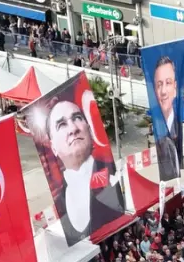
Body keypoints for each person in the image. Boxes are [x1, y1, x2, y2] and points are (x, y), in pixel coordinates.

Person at [39, 96, 126, 246]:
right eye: (61, 125)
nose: (73, 129)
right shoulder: (60, 202)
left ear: (89, 130)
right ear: (53, 147)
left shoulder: (114, 179)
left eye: (77, 118)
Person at [150, 55, 182, 181]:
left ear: (175, 87)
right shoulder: (158, 128)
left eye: (168, 83)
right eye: (159, 85)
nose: (163, 91)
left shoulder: (179, 124)